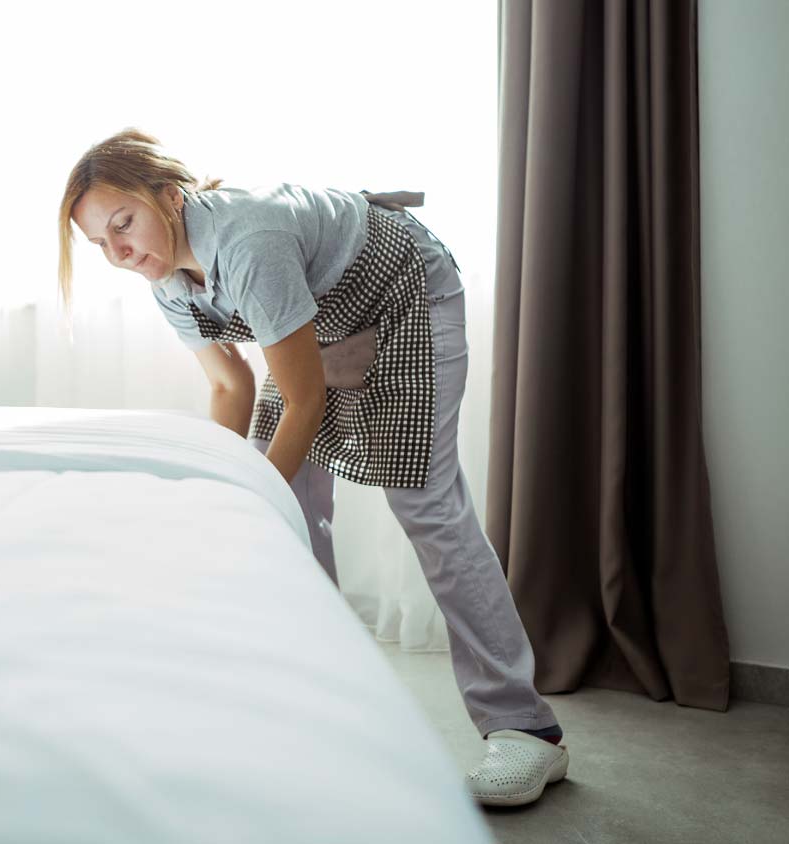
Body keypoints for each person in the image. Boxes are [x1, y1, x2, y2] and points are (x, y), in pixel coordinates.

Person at [57, 129, 569, 808]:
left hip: (403, 296)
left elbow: (303, 400)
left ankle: (527, 729)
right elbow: (228, 387)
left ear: (171, 198)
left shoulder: (248, 243)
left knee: (426, 506)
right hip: (318, 320)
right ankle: (326, 705)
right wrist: (221, 491)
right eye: (100, 244)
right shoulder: (165, 277)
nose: (120, 254)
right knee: (288, 502)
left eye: (124, 225)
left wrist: (248, 500)